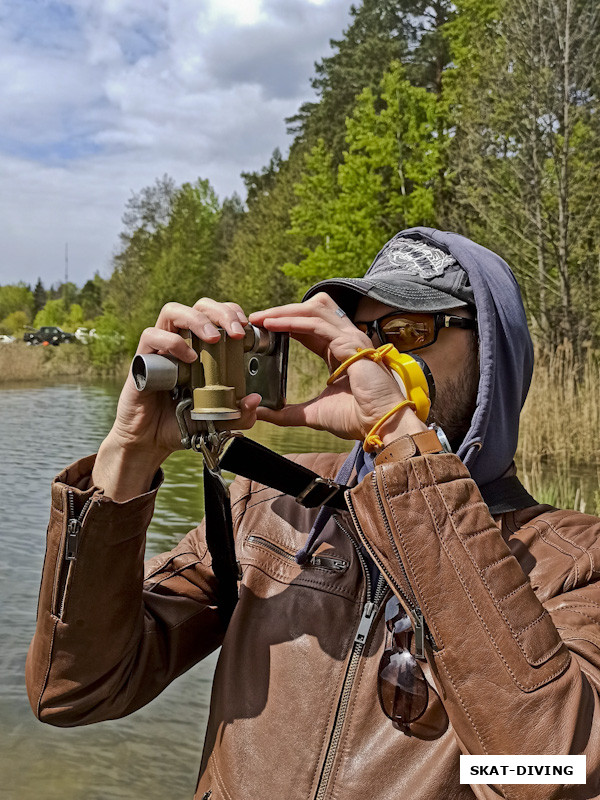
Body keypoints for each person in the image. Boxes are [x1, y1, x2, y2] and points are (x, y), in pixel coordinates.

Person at [26, 227, 600, 800]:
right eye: (365, 334)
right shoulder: (267, 504)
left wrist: (401, 437)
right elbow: (76, 690)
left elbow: (554, 774)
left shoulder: (576, 561)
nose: (373, 358)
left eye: (407, 332)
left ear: (494, 353)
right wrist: (128, 455)